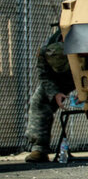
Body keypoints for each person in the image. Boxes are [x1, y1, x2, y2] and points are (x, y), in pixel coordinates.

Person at [24, 28, 75, 163]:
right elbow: (44, 75)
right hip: (59, 80)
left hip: (87, 75)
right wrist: (55, 93)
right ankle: (39, 149)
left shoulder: (87, 46)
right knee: (39, 102)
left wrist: (85, 92)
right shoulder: (45, 50)